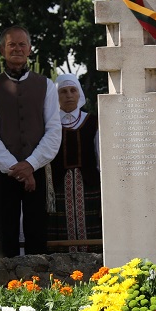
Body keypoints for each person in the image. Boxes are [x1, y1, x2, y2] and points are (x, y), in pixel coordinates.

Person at [0, 26, 61, 257]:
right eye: (11, 44)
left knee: (37, 235)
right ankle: (8, 288)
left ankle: (38, 288)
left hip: (38, 170)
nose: (17, 48)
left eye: (22, 44)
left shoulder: (46, 85)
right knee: (6, 237)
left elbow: (54, 130)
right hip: (3, 172)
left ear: (30, 49)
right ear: (2, 50)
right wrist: (16, 169)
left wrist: (31, 165)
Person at [48, 74, 102, 252]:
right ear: (56, 97)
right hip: (59, 186)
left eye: (73, 90)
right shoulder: (50, 124)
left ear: (80, 94)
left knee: (93, 229)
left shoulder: (94, 121)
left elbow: (100, 156)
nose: (69, 95)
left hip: (89, 184)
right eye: (63, 91)